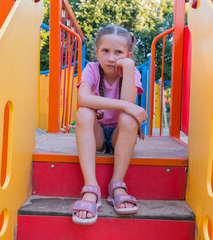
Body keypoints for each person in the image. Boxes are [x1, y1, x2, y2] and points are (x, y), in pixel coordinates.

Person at [72, 24, 148, 225]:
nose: (111, 58)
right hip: (96, 135)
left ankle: (117, 185)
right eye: (105, 51)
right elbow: (83, 99)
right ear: (97, 53)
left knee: (128, 117)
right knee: (83, 114)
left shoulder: (131, 72)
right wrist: (125, 105)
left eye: (119, 52)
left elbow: (128, 107)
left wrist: (129, 67)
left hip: (119, 136)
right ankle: (91, 188)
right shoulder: (91, 69)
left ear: (128, 54)